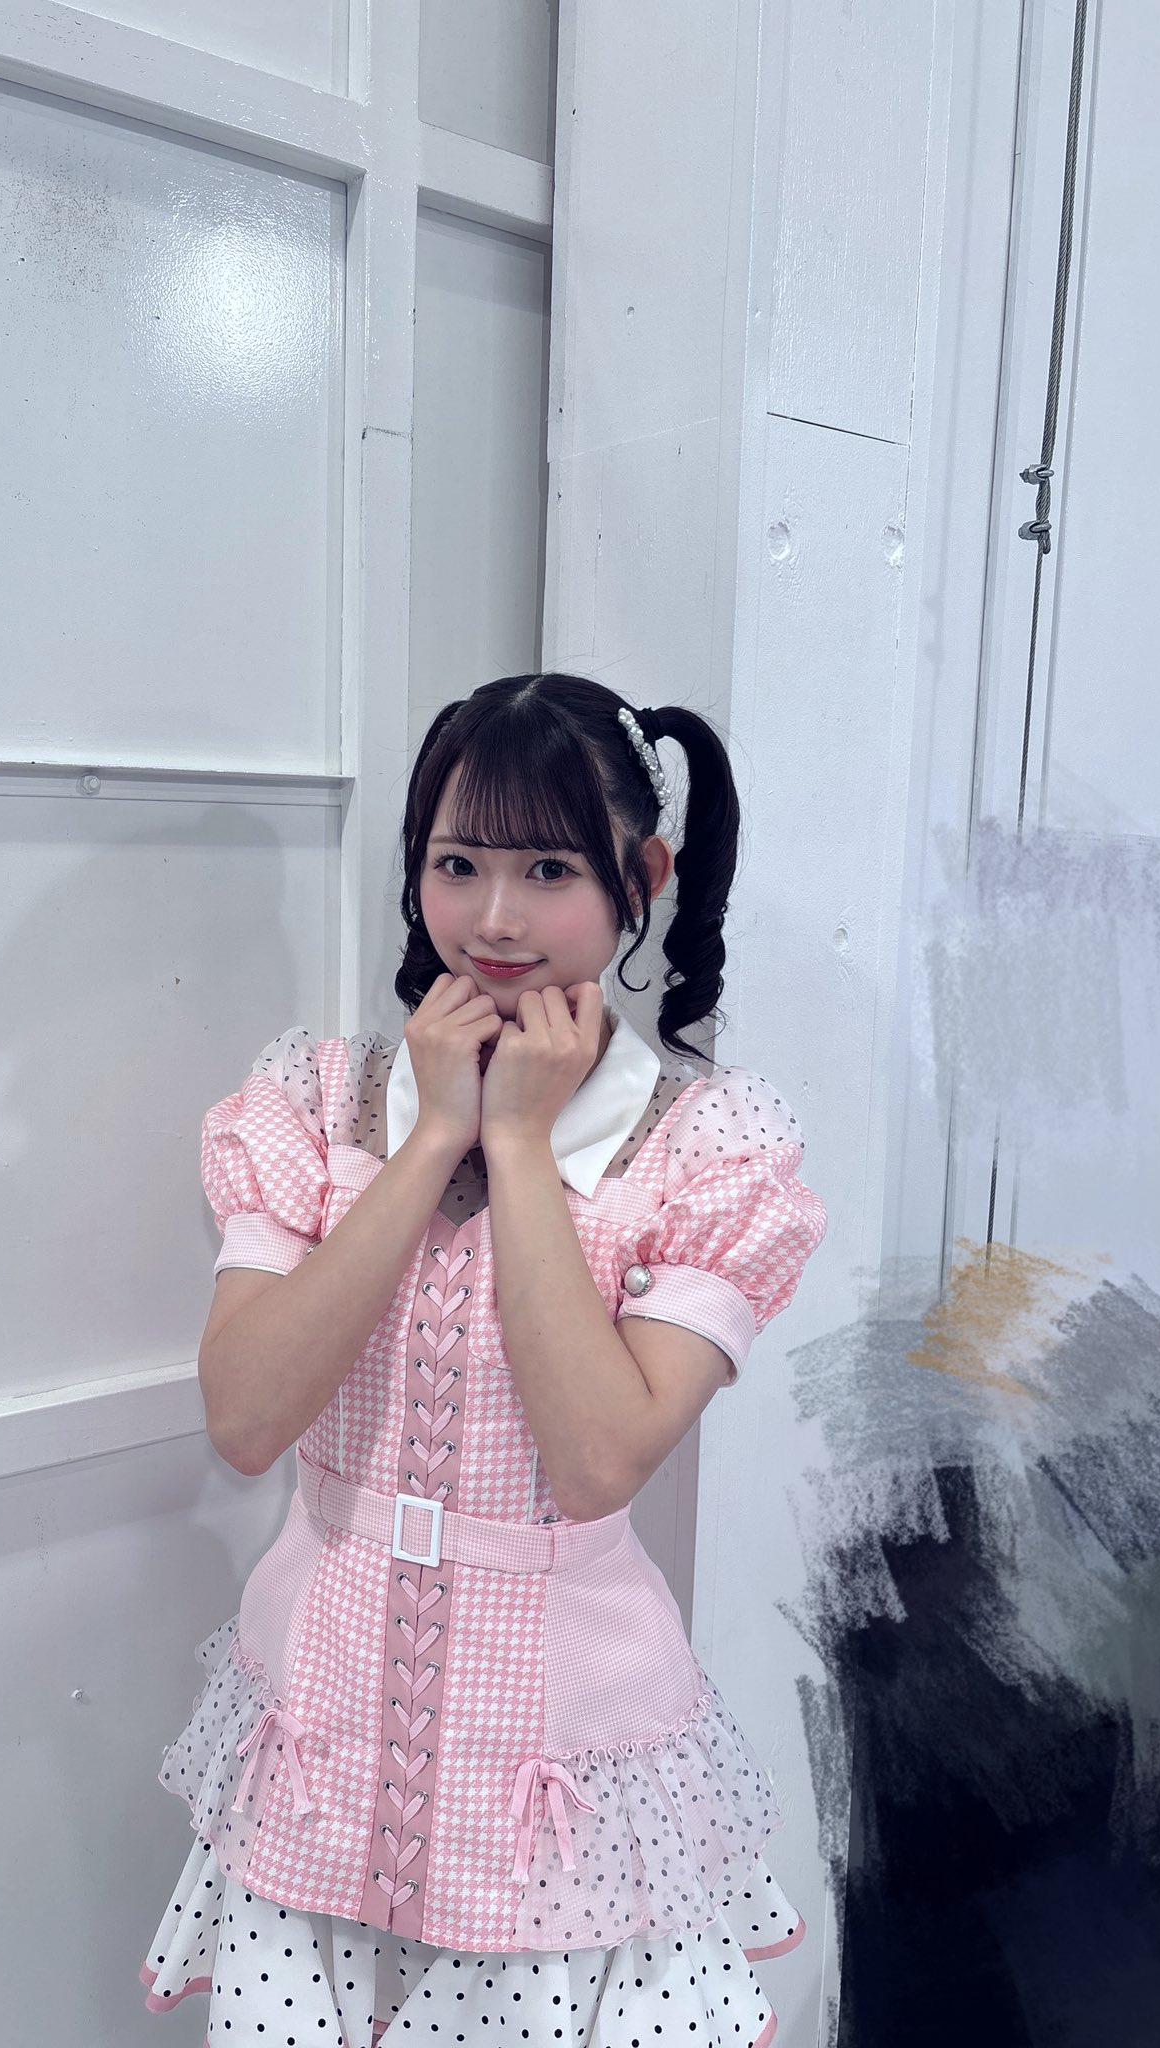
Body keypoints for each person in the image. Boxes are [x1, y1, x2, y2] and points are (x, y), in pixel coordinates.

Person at [140, 672, 828, 2046]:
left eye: (549, 870)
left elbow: (596, 1463)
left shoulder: (706, 1149)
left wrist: (518, 1141)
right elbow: (248, 1421)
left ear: (643, 878)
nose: (496, 918)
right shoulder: (314, 1100)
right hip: (321, 1735)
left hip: (551, 1787)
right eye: (458, 864)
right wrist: (435, 1138)